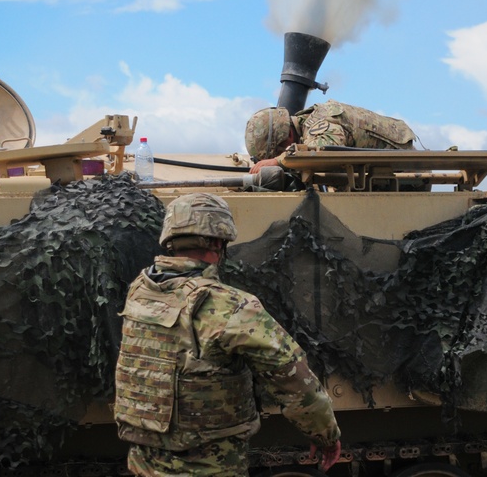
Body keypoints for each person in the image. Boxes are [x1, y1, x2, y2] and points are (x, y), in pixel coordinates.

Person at [114, 192, 342, 476]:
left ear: (170, 239)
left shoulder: (140, 290)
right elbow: (296, 382)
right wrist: (325, 436)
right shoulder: (231, 306)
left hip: (143, 464)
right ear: (217, 242)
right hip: (209, 467)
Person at [245, 100, 416, 173]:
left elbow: (321, 156)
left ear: (289, 135)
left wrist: (278, 162)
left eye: (277, 151)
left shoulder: (319, 125)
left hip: (407, 174)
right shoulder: (309, 123)